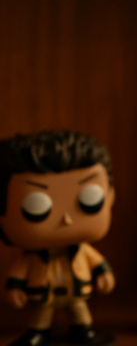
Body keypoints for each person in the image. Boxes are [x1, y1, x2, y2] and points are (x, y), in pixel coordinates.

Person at [0, 131, 116, 346]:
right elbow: (18, 272)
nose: (67, 220)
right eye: (36, 207)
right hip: (43, 293)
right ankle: (38, 332)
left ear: (110, 197)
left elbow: (97, 262)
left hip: (76, 289)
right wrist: (14, 288)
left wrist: (104, 273)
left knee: (79, 310)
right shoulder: (30, 257)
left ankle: (83, 329)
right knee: (41, 314)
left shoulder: (82, 250)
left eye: (90, 200)